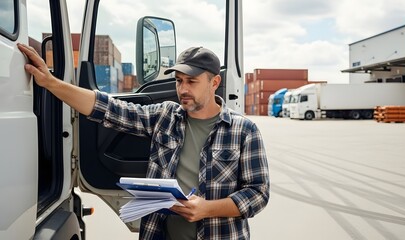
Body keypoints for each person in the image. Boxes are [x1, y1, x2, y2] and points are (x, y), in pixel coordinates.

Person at [18, 43, 270, 240]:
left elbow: (258, 193)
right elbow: (107, 108)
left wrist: (207, 209)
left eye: (191, 82)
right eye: (179, 80)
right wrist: (50, 83)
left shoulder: (244, 130)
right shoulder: (165, 117)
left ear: (214, 82)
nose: (182, 89)